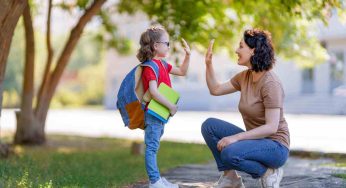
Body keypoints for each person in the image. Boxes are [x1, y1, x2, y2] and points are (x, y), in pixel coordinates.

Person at [201, 29, 290, 188]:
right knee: (209, 126)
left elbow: (271, 127)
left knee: (229, 153)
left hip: (276, 147)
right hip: (254, 141)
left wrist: (235, 138)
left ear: (253, 50)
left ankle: (268, 173)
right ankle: (230, 178)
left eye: (240, 46)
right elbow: (215, 89)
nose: (236, 50)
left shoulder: (271, 84)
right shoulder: (244, 77)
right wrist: (208, 64)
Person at [138, 26, 191, 188]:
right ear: (156, 46)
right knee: (152, 147)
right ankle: (154, 182)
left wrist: (188, 56)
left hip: (160, 113)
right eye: (166, 43)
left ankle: (158, 179)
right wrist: (171, 106)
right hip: (153, 113)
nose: (169, 46)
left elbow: (182, 71)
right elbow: (153, 92)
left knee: (155, 146)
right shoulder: (150, 67)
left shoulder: (162, 64)